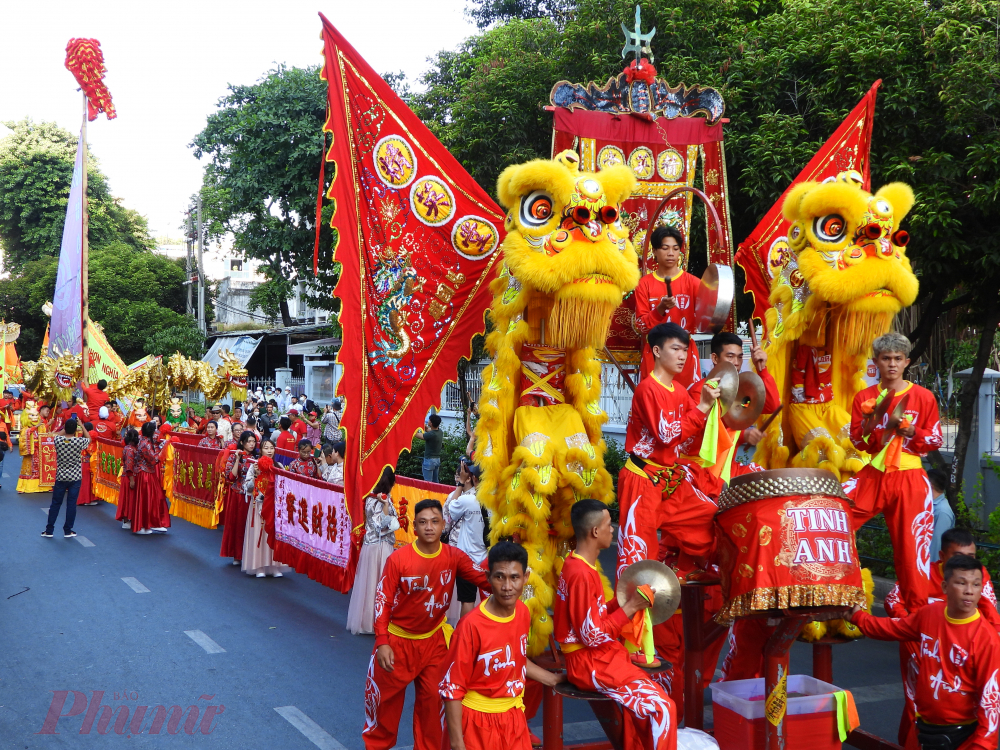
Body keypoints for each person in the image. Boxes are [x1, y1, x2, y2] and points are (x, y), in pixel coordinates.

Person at [363, 498, 490, 750]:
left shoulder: (454, 556)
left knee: (434, 705)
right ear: (414, 527)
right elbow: (382, 601)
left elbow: (484, 579)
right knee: (384, 706)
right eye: (422, 522)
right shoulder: (399, 560)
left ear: (443, 525)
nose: (429, 527)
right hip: (397, 642)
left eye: (434, 522)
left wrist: (515, 576)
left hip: (434, 642)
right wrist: (382, 642)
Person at [554, 499, 676, 750]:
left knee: (642, 713)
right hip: (589, 662)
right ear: (595, 531)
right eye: (609, 525)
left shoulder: (577, 564)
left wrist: (623, 600)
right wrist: (631, 607)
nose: (613, 530)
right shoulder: (581, 574)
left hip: (596, 657)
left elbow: (592, 616)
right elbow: (591, 634)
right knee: (664, 709)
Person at [850, 554, 1000, 750]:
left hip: (965, 737)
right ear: (945, 587)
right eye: (961, 583)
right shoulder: (929, 614)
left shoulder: (987, 639)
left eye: (976, 584)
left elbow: (991, 702)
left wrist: (980, 746)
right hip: (923, 728)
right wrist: (857, 617)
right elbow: (892, 628)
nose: (969, 591)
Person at [616, 322, 720, 580]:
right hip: (641, 480)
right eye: (675, 348)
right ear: (657, 351)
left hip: (669, 479)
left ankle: (685, 571)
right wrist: (702, 409)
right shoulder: (647, 389)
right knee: (638, 559)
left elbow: (691, 434)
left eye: (685, 349)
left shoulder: (681, 391)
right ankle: (635, 616)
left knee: (711, 519)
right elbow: (667, 435)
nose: (682, 355)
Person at [848, 332, 943, 613]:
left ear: (906, 362)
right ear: (876, 361)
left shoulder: (923, 397)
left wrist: (912, 430)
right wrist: (867, 426)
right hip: (875, 474)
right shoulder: (864, 397)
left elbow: (935, 439)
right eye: (886, 358)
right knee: (836, 515)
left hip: (911, 477)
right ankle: (834, 586)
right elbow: (858, 442)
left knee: (912, 553)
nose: (891, 364)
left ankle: (917, 617)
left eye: (897, 359)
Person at [440, 541, 565, 750]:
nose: (507, 587)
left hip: (513, 718)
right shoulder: (470, 627)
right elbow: (451, 688)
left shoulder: (523, 613)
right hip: (476, 723)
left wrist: (553, 679)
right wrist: (457, 743)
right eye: (500, 577)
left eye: (514, 577)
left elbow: (515, 658)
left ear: (525, 578)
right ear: (489, 578)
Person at [884, 527, 1000, 747]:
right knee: (914, 703)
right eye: (958, 557)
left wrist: (988, 645)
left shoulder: (978, 575)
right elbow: (892, 600)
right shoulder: (921, 573)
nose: (965, 565)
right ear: (943, 556)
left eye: (971, 558)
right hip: (920, 649)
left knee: (973, 707)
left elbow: (991, 613)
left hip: (959, 652)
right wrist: (914, 627)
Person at [633, 225, 702, 386]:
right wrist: (660, 309)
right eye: (665, 248)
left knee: (688, 403)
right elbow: (641, 326)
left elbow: (708, 317)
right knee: (654, 402)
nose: (671, 253)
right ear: (655, 251)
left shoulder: (694, 283)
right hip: (656, 353)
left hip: (684, 353)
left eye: (675, 248)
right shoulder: (644, 284)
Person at [347, 467, 400, 634]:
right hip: (381, 546)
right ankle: (377, 621)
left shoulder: (371, 498)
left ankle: (368, 620)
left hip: (371, 546)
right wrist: (387, 509)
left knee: (370, 584)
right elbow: (383, 525)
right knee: (380, 585)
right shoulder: (379, 501)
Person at [241, 439, 292, 578]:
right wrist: (256, 477)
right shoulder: (254, 466)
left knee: (272, 534)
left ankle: (274, 566)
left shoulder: (278, 466)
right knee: (259, 534)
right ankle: (259, 566)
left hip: (274, 507)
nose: (269, 451)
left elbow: (285, 486)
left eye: (271, 448)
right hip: (258, 505)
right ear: (261, 450)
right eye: (266, 448)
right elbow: (247, 487)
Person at [444, 457, 487, 618]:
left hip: (466, 558)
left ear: (473, 478)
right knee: (486, 601)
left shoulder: (467, 500)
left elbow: (450, 510)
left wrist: (460, 484)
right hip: (486, 558)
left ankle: (465, 638)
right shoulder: (494, 501)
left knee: (467, 601)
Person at [40, 418, 91, 539]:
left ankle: (49, 530)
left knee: (56, 503)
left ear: (65, 428)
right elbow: (89, 439)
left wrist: (66, 426)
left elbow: (59, 434)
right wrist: (81, 425)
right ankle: (68, 530)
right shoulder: (79, 442)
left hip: (61, 476)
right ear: (75, 430)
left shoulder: (58, 440)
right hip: (75, 477)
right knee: (71, 504)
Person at [220, 430, 257, 564]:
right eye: (249, 441)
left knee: (251, 526)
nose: (252, 444)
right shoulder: (235, 456)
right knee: (238, 525)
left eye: (253, 441)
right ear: (242, 443)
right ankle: (237, 554)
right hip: (238, 495)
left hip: (253, 495)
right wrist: (236, 459)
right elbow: (231, 477)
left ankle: (251, 555)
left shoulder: (256, 457)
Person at [130, 421, 170, 535]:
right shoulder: (145, 444)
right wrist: (163, 449)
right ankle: (142, 525)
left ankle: (153, 522)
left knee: (154, 498)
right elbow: (153, 460)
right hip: (144, 474)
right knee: (146, 500)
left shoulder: (143, 441)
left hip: (147, 473)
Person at [928, 468, 955, 562]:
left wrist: (931, 571)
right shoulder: (933, 506)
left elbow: (937, 544)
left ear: (929, 486)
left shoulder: (942, 511)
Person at [116, 428, 140, 530]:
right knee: (128, 499)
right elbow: (129, 465)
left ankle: (128, 519)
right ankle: (126, 520)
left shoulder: (128, 448)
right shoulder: (130, 449)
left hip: (127, 476)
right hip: (129, 476)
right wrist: (132, 480)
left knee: (127, 499)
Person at [76, 421, 100, 506]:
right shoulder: (90, 440)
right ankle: (87, 500)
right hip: (88, 463)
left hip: (82, 462)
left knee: (84, 482)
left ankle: (86, 499)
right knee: (88, 482)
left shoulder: (81, 438)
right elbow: (91, 451)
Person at [418, 413, 443, 482]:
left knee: (428, 483)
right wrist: (419, 422)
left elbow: (420, 435)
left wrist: (411, 431)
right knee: (435, 482)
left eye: (429, 420)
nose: (428, 421)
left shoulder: (432, 434)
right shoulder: (439, 432)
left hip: (429, 460)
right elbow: (427, 429)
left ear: (431, 423)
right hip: (437, 460)